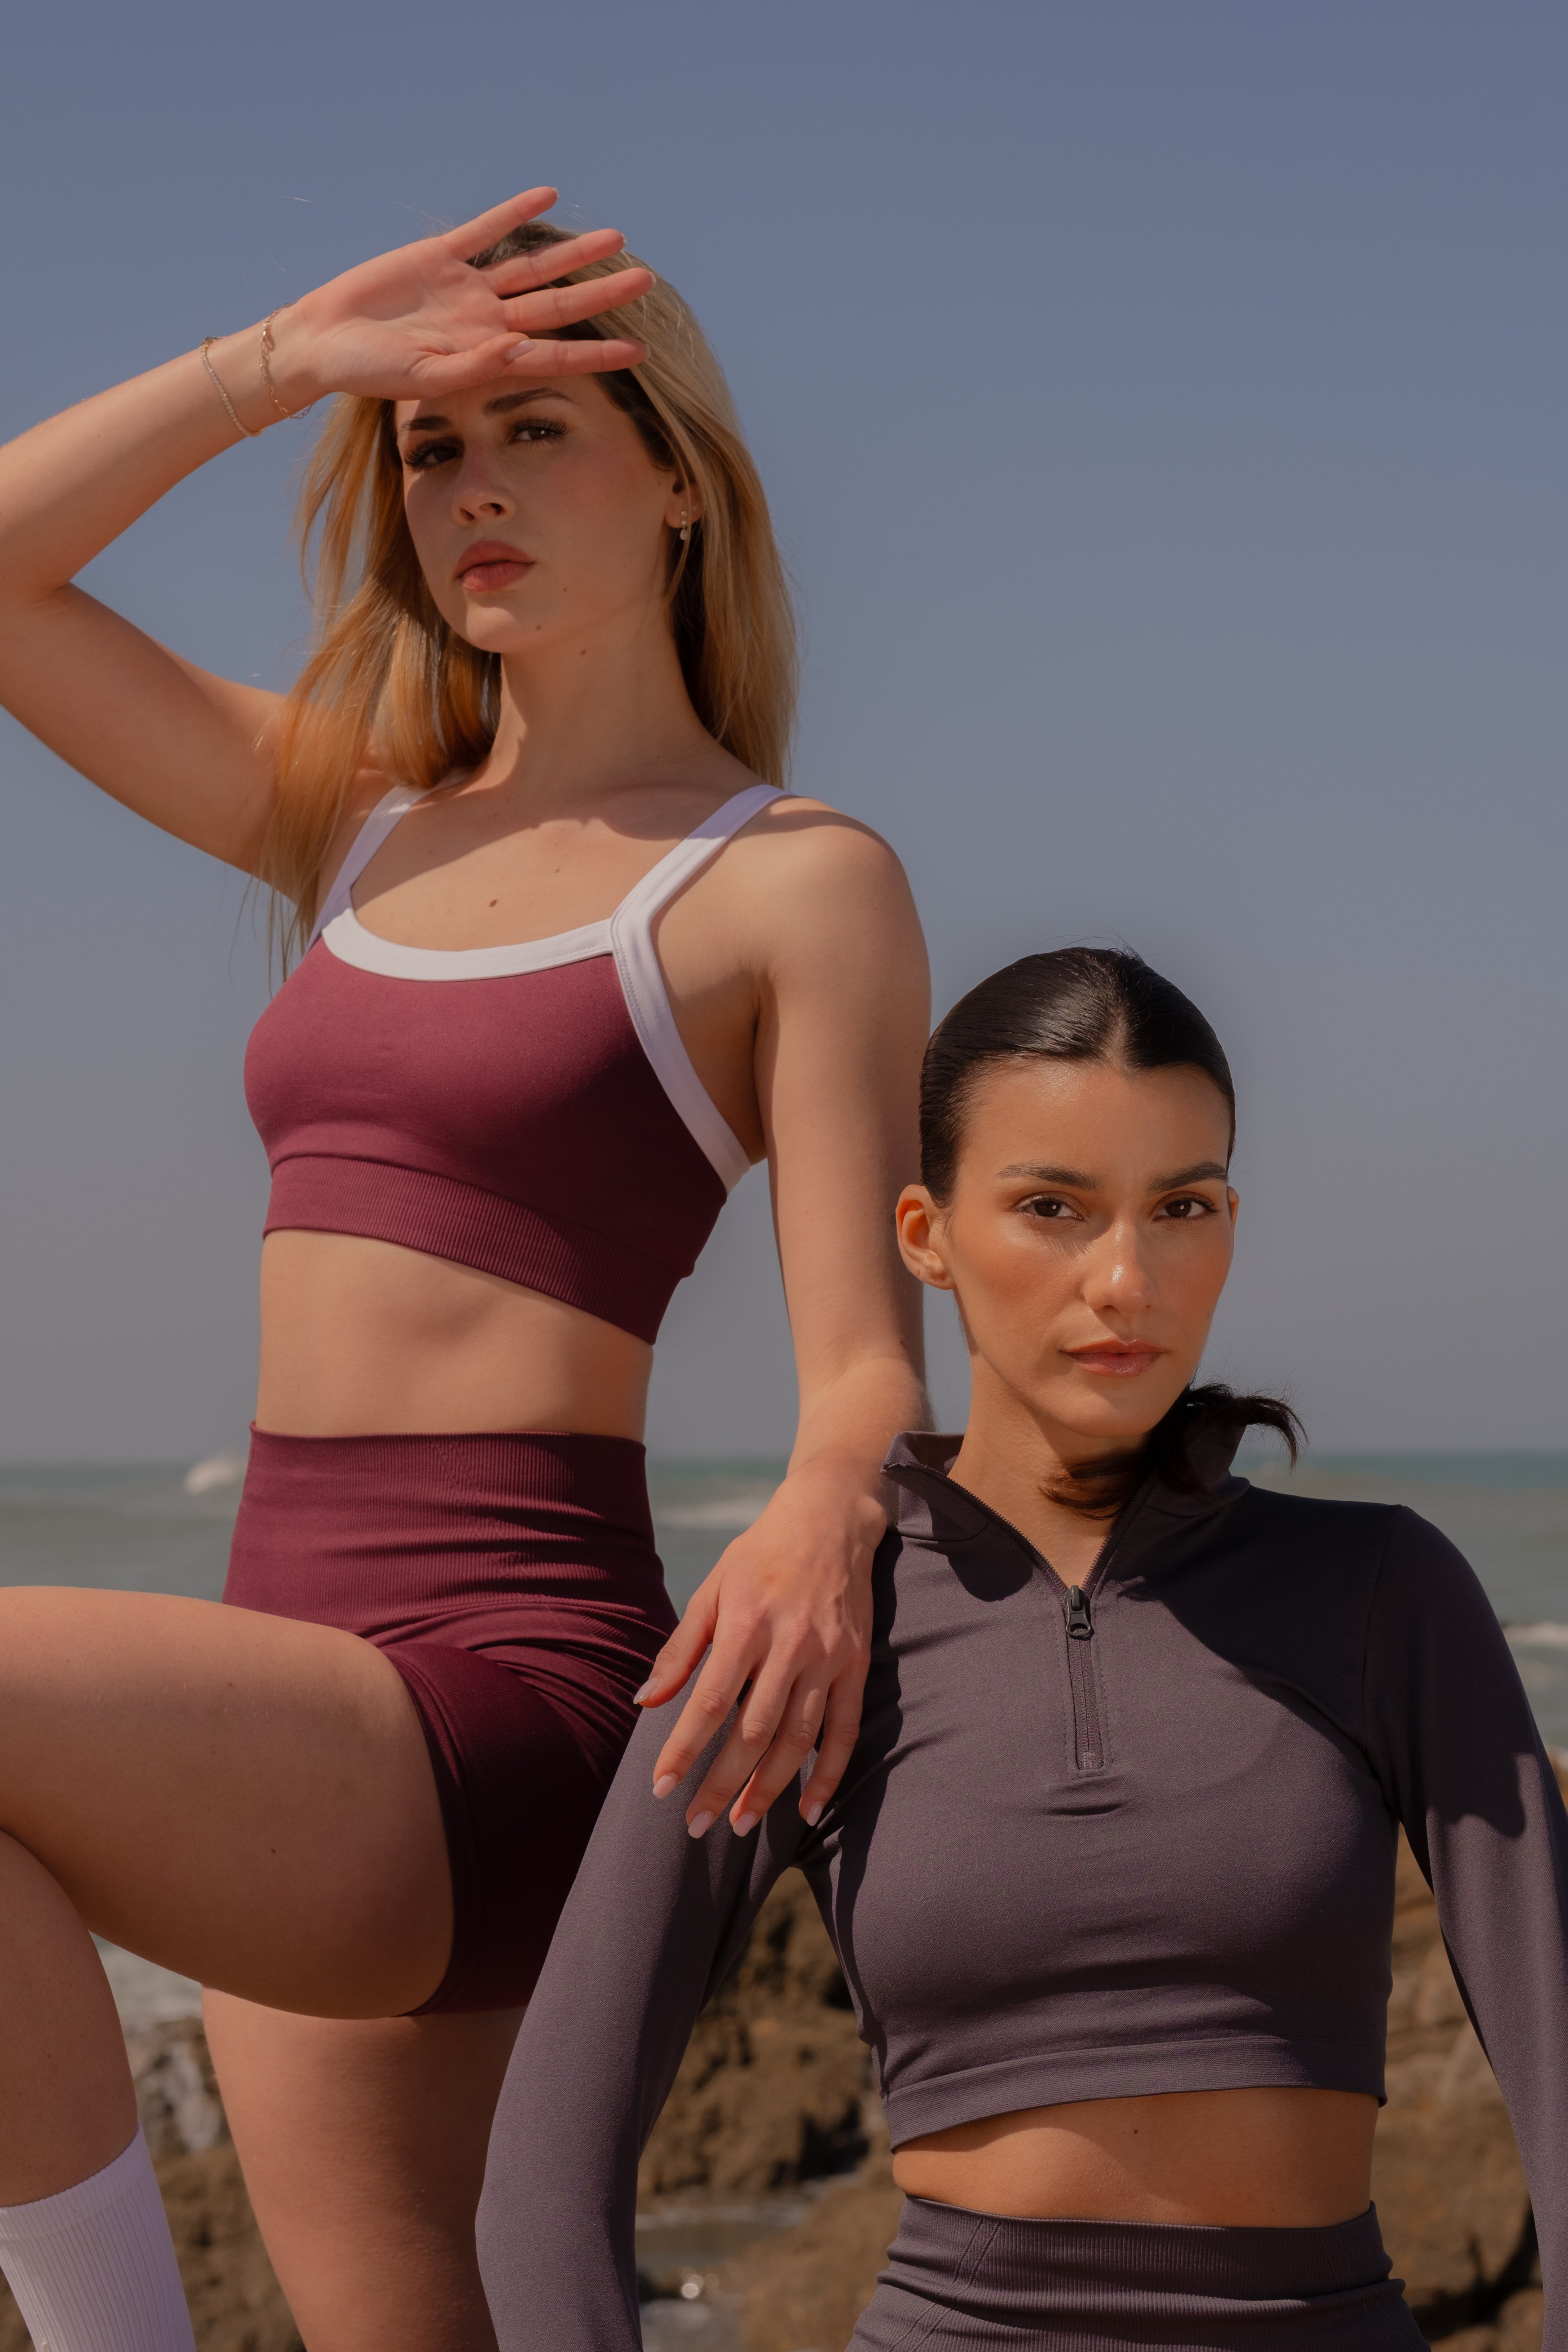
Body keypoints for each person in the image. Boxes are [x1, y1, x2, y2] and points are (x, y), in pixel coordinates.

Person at [0, 188, 929, 2352]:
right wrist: (289, 358)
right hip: (290, 1694)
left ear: (680, 491)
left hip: (508, 1696)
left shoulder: (789, 884)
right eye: (433, 450)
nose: (471, 488)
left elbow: (865, 1361)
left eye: (535, 432)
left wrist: (819, 1506)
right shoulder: (352, 816)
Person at [476, 947, 1568, 2352]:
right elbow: (544, 2181)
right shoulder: (804, 1629)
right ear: (925, 1236)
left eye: (1182, 1207)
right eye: (1053, 1207)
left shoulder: (1380, 1593)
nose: (1126, 1277)